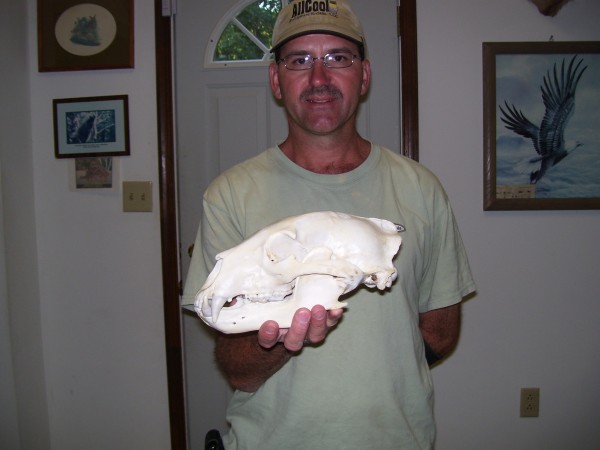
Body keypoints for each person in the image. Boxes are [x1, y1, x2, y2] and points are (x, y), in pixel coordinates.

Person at [183, 0, 476, 448]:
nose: (319, 78)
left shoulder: (421, 189)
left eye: (338, 58)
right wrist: (282, 337)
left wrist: (383, 370)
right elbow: (237, 370)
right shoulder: (229, 195)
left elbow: (440, 331)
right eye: (299, 60)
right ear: (276, 81)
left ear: (365, 75)